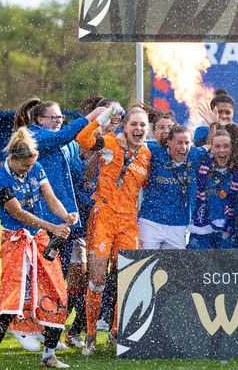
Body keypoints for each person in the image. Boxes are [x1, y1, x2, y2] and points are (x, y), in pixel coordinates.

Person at [0, 128, 77, 369]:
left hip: (40, 238)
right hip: (16, 241)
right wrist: (52, 226)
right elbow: (18, 213)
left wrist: (65, 215)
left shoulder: (36, 166)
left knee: (56, 293)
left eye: (32, 165)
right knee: (11, 298)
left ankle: (49, 355)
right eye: (25, 165)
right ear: (13, 158)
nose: (29, 169)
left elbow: (49, 197)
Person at [11, 98, 106, 351]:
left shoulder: (65, 143)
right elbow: (64, 136)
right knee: (38, 274)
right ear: (39, 120)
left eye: (60, 117)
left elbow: (78, 171)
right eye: (52, 118)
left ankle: (44, 325)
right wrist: (91, 116)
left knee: (57, 276)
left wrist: (100, 145)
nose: (57, 121)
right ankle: (21, 325)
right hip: (43, 218)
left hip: (67, 219)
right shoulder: (34, 136)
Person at [76, 105, 151, 355]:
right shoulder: (110, 142)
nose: (138, 129)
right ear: (125, 126)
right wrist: (104, 117)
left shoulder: (147, 155)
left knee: (126, 278)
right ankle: (89, 335)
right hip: (103, 217)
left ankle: (116, 332)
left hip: (128, 221)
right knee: (97, 279)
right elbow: (83, 139)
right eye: (134, 124)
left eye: (142, 125)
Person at [139, 125, 207, 250]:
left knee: (172, 268)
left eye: (187, 143)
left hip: (179, 224)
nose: (184, 147)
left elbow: (213, 147)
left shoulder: (195, 154)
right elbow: (134, 143)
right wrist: (121, 135)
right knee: (145, 265)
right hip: (151, 221)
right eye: (179, 143)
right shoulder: (155, 151)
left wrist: (213, 123)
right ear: (169, 142)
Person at [189, 123, 238, 249]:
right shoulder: (201, 164)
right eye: (217, 146)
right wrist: (213, 125)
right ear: (211, 148)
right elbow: (189, 151)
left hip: (228, 232)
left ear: (232, 148)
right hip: (202, 230)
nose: (222, 150)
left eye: (226, 146)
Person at [193, 89, 238, 153]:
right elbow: (207, 156)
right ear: (211, 112)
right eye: (219, 112)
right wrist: (212, 125)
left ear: (233, 113)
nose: (224, 116)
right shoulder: (201, 131)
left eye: (228, 112)